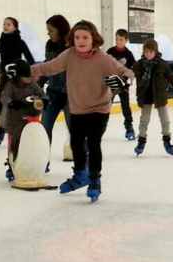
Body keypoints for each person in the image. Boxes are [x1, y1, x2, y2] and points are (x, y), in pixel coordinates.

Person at [31, 20, 134, 202]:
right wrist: (29, 70)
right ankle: (81, 175)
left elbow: (123, 70)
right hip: (77, 108)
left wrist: (127, 78)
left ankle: (94, 180)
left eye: (85, 37)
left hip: (99, 108)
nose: (81, 41)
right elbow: (50, 66)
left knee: (93, 143)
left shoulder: (102, 58)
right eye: (77, 37)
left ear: (93, 38)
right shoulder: (69, 55)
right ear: (72, 39)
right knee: (76, 143)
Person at [0, 17, 35, 147]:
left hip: (17, 79)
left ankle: (22, 131)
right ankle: (0, 133)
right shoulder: (2, 41)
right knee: (2, 105)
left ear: (15, 27)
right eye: (4, 24)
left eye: (9, 24)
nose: (5, 26)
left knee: (18, 105)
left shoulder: (20, 42)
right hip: (4, 78)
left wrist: (27, 75)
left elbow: (30, 60)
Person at [133, 38, 173, 157]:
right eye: (146, 52)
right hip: (145, 96)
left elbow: (172, 78)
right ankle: (141, 142)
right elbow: (128, 72)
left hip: (160, 96)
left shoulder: (162, 64)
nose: (148, 54)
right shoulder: (139, 64)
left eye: (150, 52)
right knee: (144, 121)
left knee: (165, 121)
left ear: (155, 51)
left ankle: (167, 141)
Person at [1, 60, 46, 182]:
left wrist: (43, 100)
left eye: (29, 77)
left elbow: (42, 95)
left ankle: (33, 163)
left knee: (31, 143)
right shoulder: (11, 85)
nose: (28, 80)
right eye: (25, 77)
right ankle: (11, 165)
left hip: (31, 119)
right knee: (14, 143)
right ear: (18, 76)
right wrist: (12, 103)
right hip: (15, 120)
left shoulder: (32, 84)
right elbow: (4, 97)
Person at [39, 15, 71, 153]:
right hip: (53, 93)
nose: (48, 33)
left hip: (71, 95)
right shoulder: (49, 44)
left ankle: (83, 167)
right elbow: (48, 66)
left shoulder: (72, 45)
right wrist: (39, 83)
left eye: (51, 30)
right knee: (44, 128)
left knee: (75, 131)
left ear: (60, 29)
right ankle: (42, 162)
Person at [106, 29, 136, 140]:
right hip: (111, 84)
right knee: (105, 106)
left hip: (124, 86)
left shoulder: (128, 54)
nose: (118, 41)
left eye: (121, 40)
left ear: (126, 40)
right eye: (117, 39)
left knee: (125, 107)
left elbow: (133, 68)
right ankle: (101, 127)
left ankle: (129, 128)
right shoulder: (110, 51)